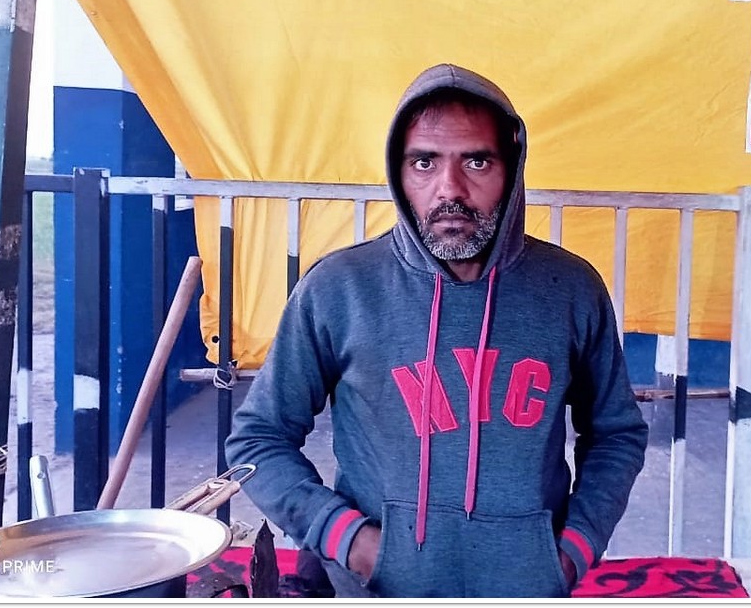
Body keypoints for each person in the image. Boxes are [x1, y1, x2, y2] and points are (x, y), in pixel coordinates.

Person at [225, 63, 648, 598]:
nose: (450, 188)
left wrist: (573, 550)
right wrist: (351, 541)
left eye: (477, 161)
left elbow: (615, 433)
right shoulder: (339, 288)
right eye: (424, 162)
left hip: (527, 590)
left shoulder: (570, 289)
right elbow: (258, 439)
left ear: (512, 168)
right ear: (399, 173)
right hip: (376, 593)